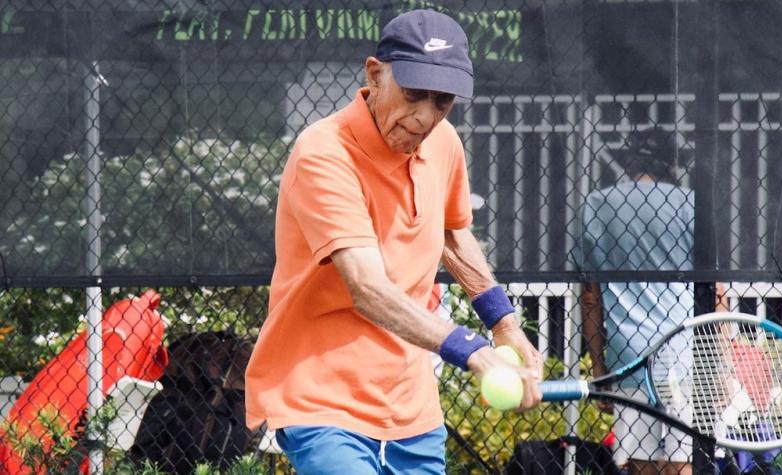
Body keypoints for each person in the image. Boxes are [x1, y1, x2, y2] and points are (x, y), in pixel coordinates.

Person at [245, 10, 543, 474]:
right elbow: (366, 286)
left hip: (411, 409)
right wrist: (470, 347)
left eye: (441, 101)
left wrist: (502, 322)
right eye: (412, 94)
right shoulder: (323, 152)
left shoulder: (443, 143)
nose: (425, 116)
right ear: (375, 74)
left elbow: (450, 231)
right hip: (323, 400)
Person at [578, 129, 727, 475]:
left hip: (628, 355)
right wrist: (721, 365)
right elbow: (715, 289)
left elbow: (590, 296)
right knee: (685, 463)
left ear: (628, 163)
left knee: (641, 465)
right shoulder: (692, 205)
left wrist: (600, 369)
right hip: (687, 355)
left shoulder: (597, 206)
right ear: (673, 166)